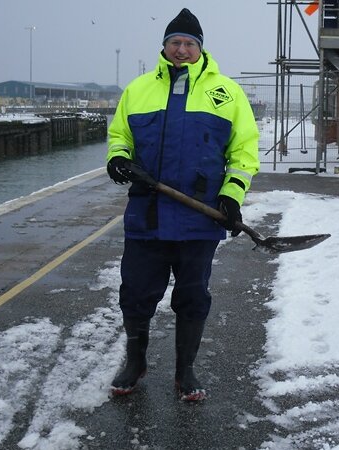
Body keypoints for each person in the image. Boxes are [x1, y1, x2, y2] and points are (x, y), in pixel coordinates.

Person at [105, 7, 260, 402]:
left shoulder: (226, 92)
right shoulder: (138, 89)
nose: (181, 49)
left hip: (198, 217)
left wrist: (232, 193)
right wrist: (118, 157)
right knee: (136, 294)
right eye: (175, 42)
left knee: (192, 297)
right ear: (164, 46)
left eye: (189, 43)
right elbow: (119, 134)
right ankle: (135, 360)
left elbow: (244, 150)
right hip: (147, 215)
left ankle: (185, 370)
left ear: (200, 48)